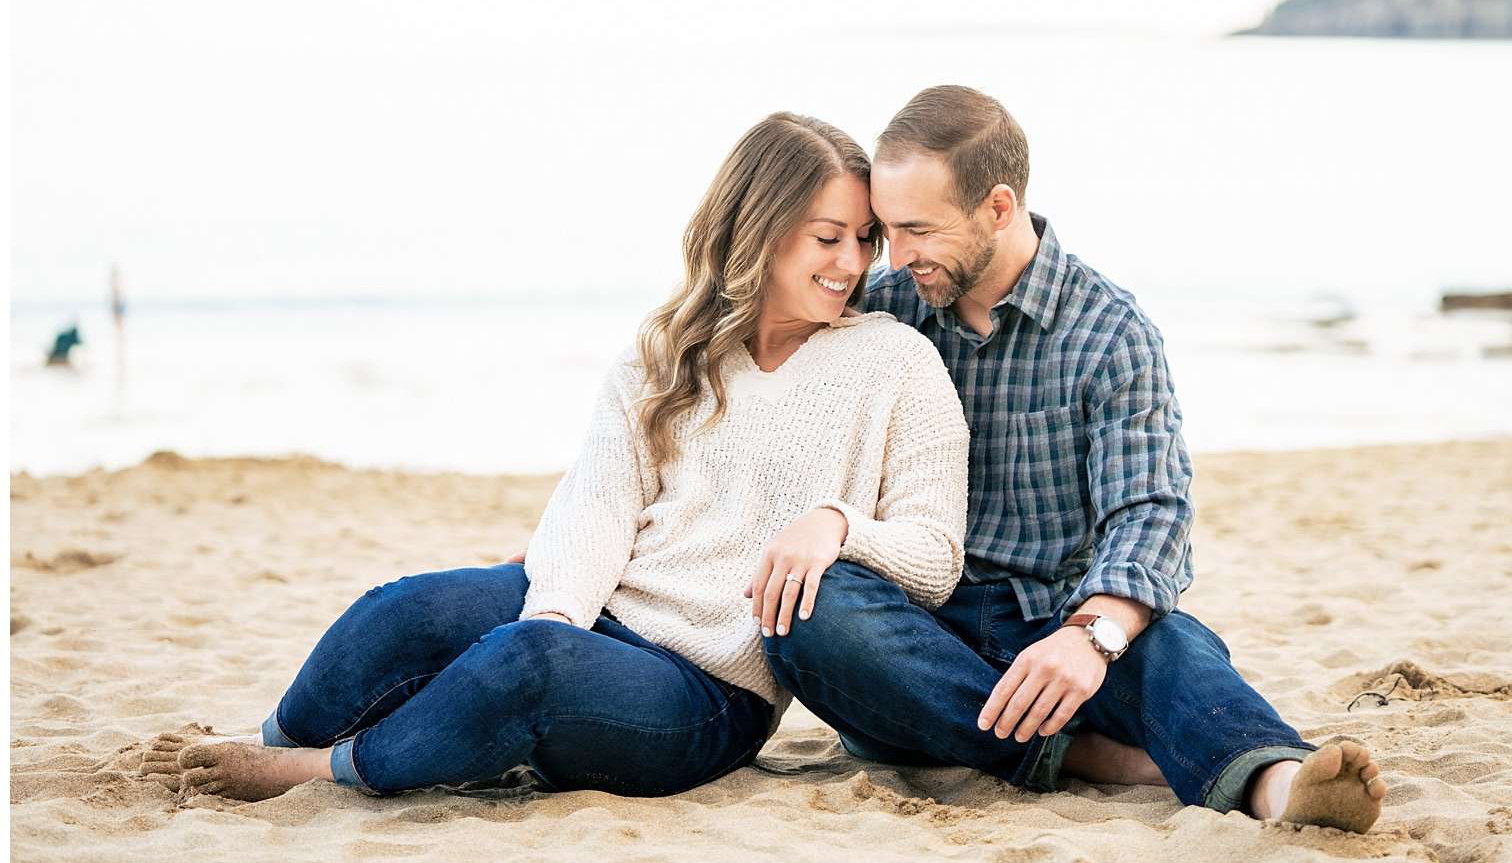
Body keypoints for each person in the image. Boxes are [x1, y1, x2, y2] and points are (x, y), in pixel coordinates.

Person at [143, 113, 970, 803]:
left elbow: (934, 558)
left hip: (708, 691)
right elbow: (599, 504)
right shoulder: (668, 347)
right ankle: (270, 739)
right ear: (757, 228)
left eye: (864, 239)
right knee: (408, 607)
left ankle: (315, 769)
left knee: (526, 666)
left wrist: (838, 525)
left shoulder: (896, 362)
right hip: (609, 608)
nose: (854, 263)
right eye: (829, 237)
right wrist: (558, 612)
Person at [760, 86, 1388, 834]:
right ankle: (1081, 756)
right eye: (886, 231)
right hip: (920, 631)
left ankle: (1279, 782)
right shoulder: (884, 311)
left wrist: (1091, 636)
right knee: (810, 610)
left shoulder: (1110, 331)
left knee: (1171, 644)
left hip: (1061, 617)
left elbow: (1151, 512)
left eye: (919, 230)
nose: (895, 257)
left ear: (998, 206)